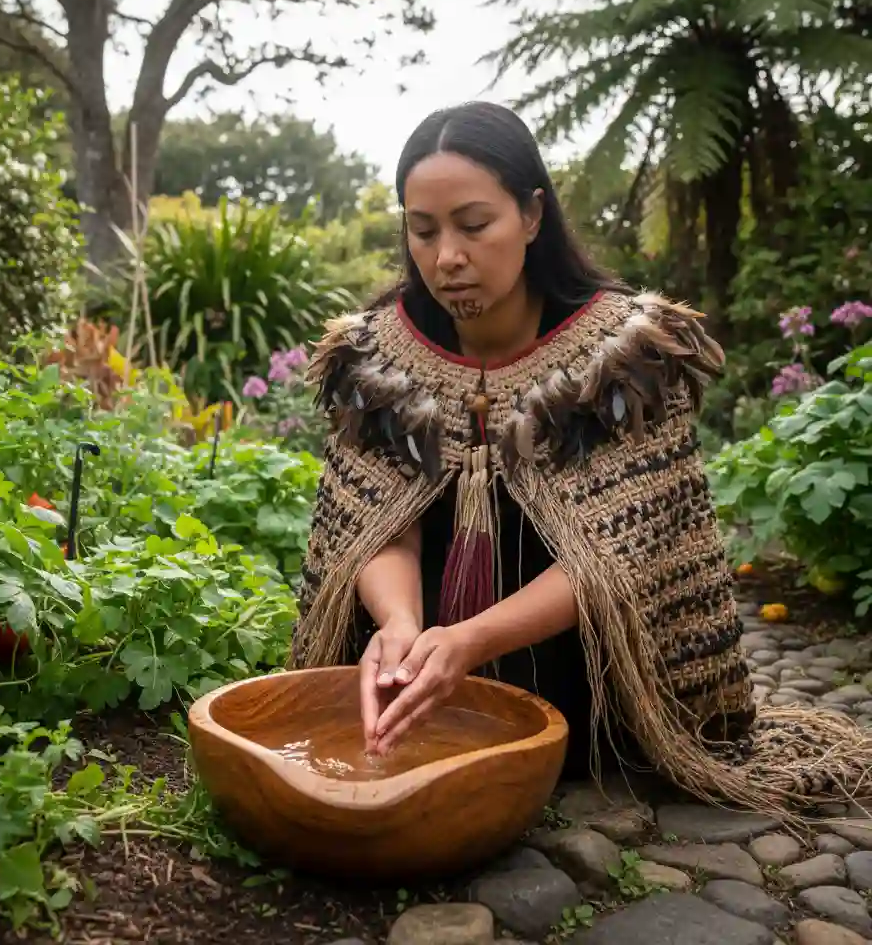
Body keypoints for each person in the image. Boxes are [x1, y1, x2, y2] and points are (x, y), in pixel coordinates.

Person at [290, 101, 871, 816]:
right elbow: (379, 527)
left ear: (533, 216)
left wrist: (471, 641)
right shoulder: (375, 354)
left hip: (578, 675)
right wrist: (402, 629)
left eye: (475, 226)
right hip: (417, 669)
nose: (448, 257)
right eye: (423, 230)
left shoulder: (625, 356)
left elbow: (621, 557)